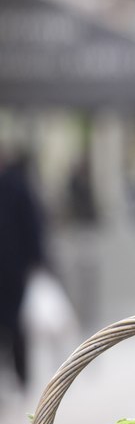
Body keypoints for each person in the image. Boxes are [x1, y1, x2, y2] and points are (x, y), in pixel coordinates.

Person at [0, 150, 47, 392]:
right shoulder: (17, 185)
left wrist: (37, 261)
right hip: (13, 268)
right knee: (14, 325)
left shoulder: (16, 186)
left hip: (12, 270)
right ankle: (19, 377)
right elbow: (34, 226)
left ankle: (20, 377)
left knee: (14, 325)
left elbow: (32, 225)